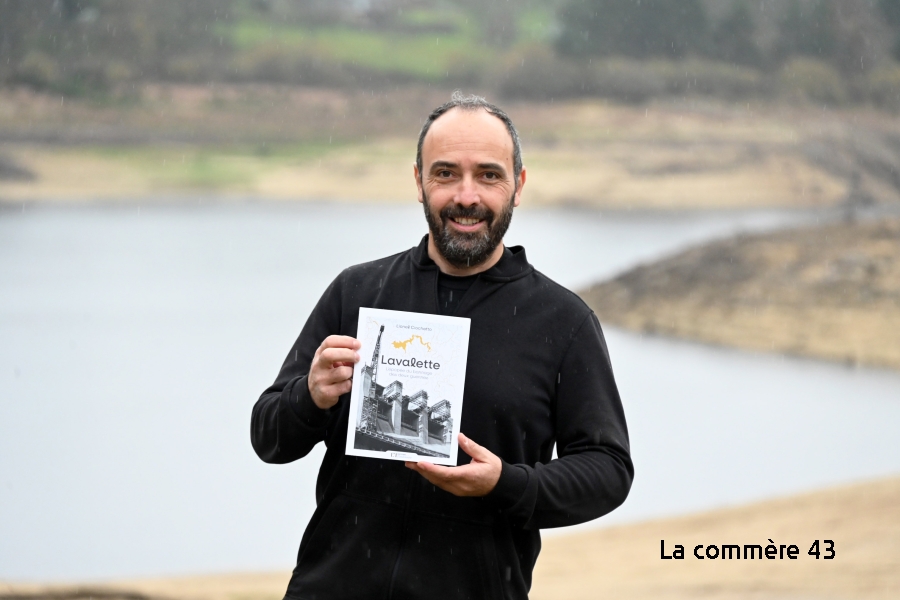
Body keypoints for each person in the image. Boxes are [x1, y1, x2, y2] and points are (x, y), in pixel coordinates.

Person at [251, 92, 633, 600]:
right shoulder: (358, 293)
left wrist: (508, 485)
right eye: (446, 173)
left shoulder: (563, 322)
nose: (467, 196)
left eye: (489, 175)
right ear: (418, 181)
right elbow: (269, 436)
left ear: (518, 185)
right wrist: (311, 397)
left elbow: (608, 470)